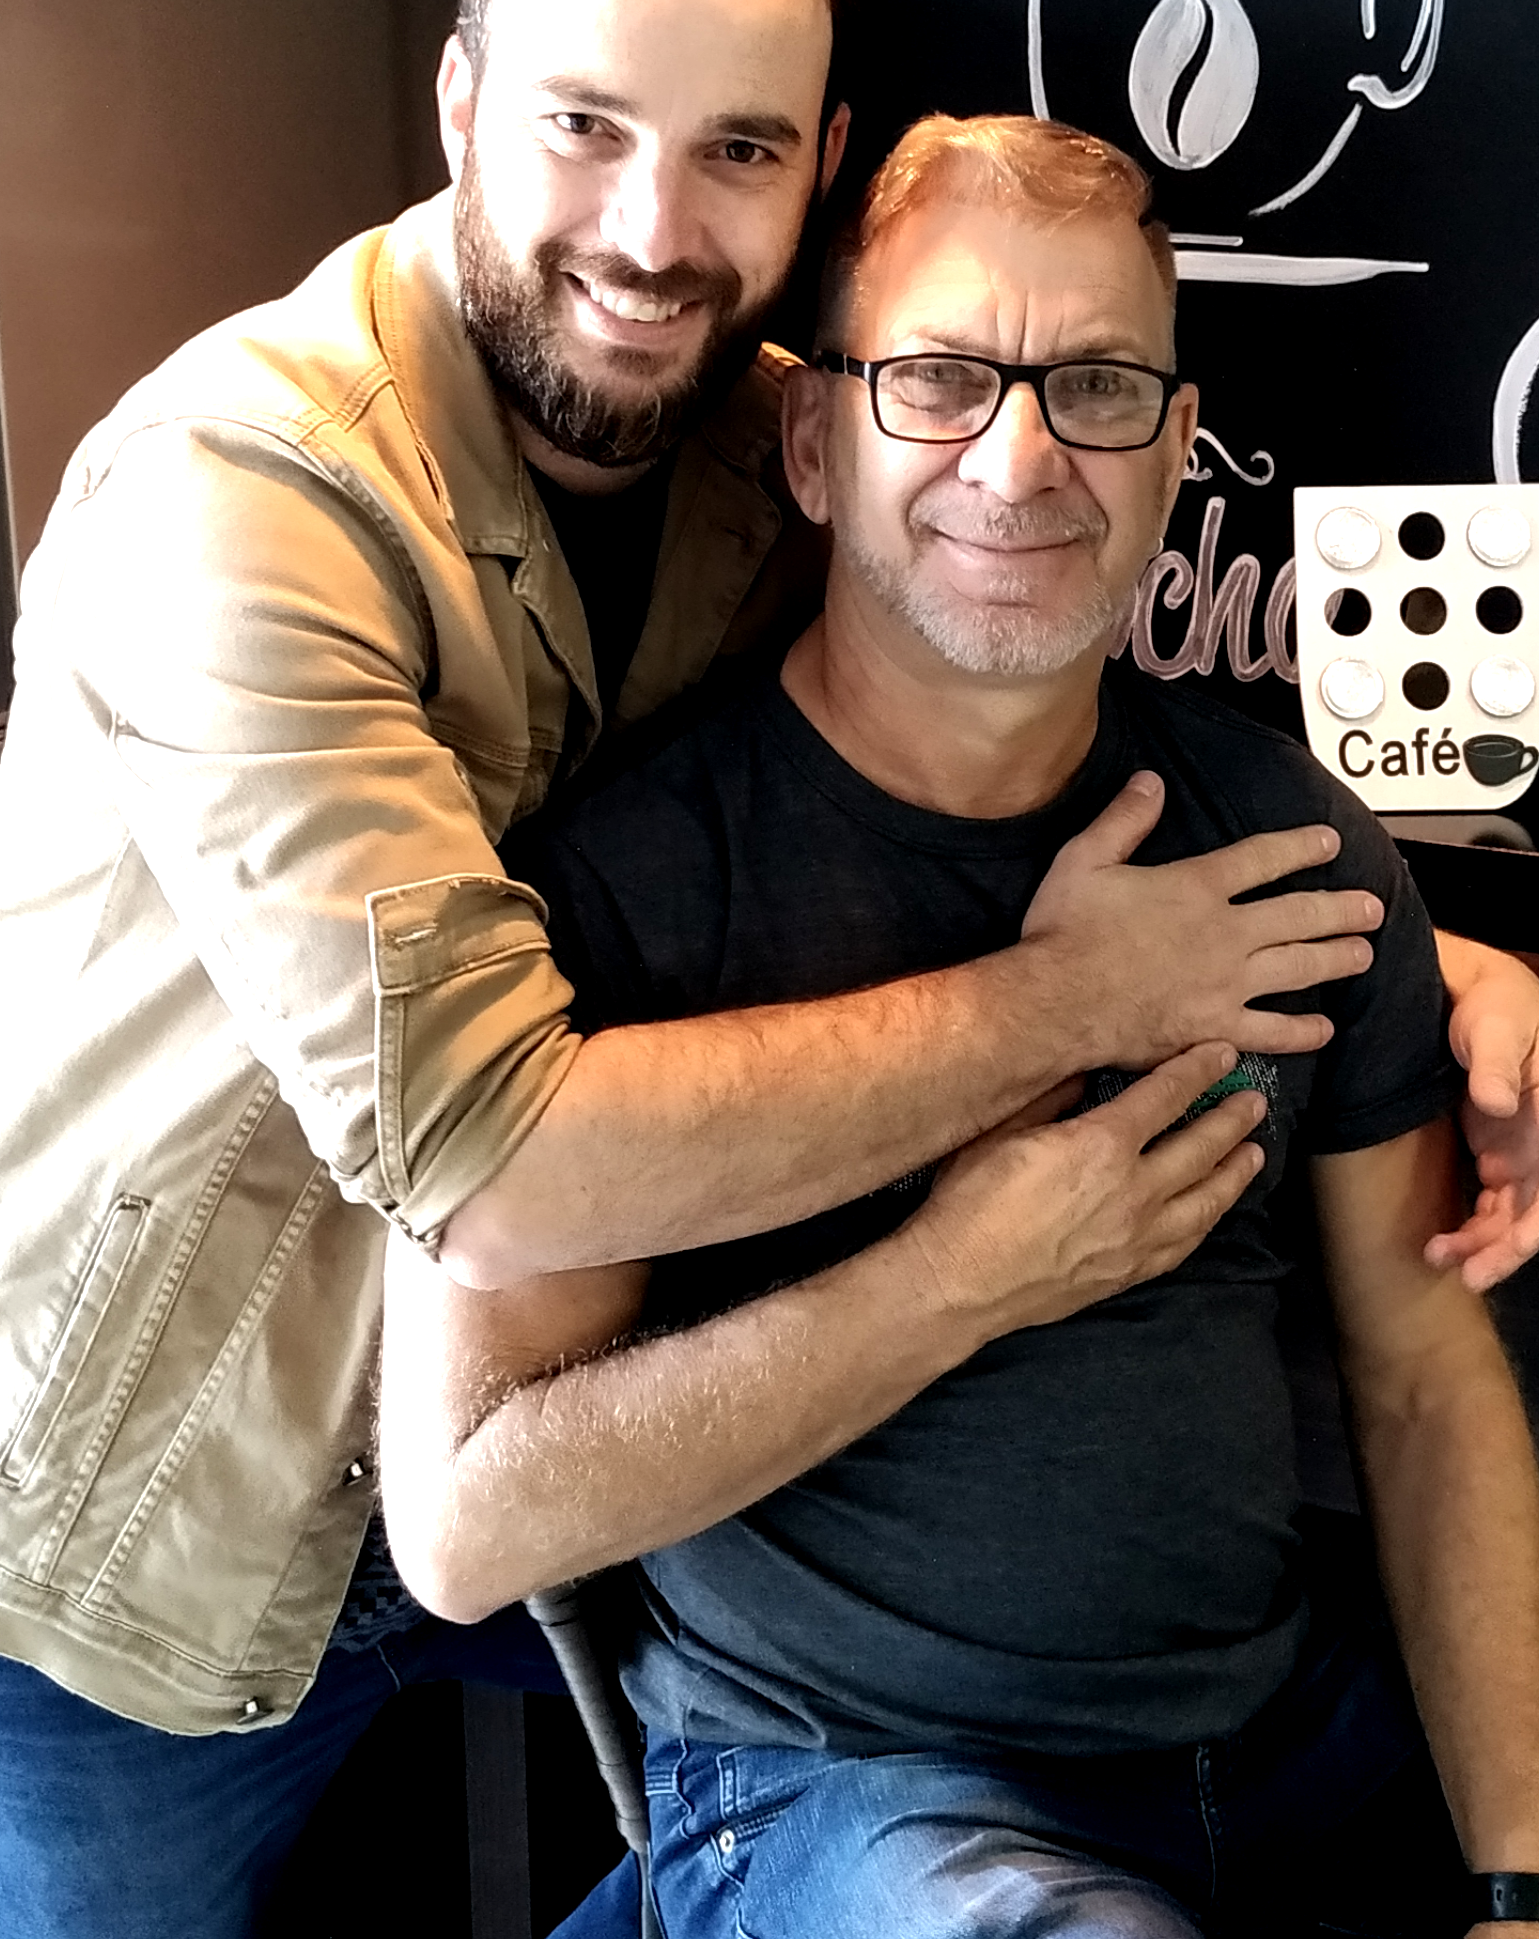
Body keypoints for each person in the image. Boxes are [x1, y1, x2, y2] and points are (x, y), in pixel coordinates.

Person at [0, 0, 1532, 1927]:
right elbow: (495, 1166)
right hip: (168, 1504)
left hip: (581, 1472)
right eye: (583, 123)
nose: (654, 232)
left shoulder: (748, 437)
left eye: (736, 147)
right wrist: (1063, 1034)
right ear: (459, 103)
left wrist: (1417, 952)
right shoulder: (237, 497)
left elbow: (976, 649)